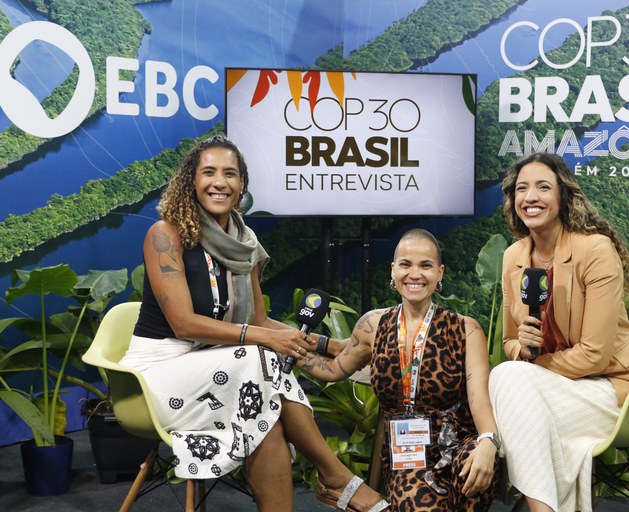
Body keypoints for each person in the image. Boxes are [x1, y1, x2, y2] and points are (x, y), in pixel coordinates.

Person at [118, 134, 388, 512]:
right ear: (191, 180)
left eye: (230, 173)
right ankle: (334, 474)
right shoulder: (165, 235)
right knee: (256, 356)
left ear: (242, 184)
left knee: (267, 422)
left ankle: (330, 481)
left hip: (218, 366)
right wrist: (260, 337)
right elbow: (183, 324)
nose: (219, 182)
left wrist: (331, 346)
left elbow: (259, 320)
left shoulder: (245, 243)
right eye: (209, 172)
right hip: (158, 374)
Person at [488, 152, 629, 512]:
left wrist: (530, 366)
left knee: (511, 385)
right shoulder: (513, 258)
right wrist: (523, 348)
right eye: (521, 189)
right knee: (519, 392)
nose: (530, 197)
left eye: (543, 187)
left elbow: (594, 356)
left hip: (617, 386)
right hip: (558, 386)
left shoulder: (594, 250)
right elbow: (509, 341)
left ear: (563, 195)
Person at [298, 228, 500, 511]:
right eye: (406, 265)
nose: (415, 274)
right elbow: (334, 368)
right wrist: (289, 350)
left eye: (425, 266)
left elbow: (479, 399)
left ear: (439, 272)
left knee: (474, 476)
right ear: (393, 270)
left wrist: (488, 442)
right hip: (407, 452)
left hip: (458, 442)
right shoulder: (374, 325)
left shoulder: (466, 329)